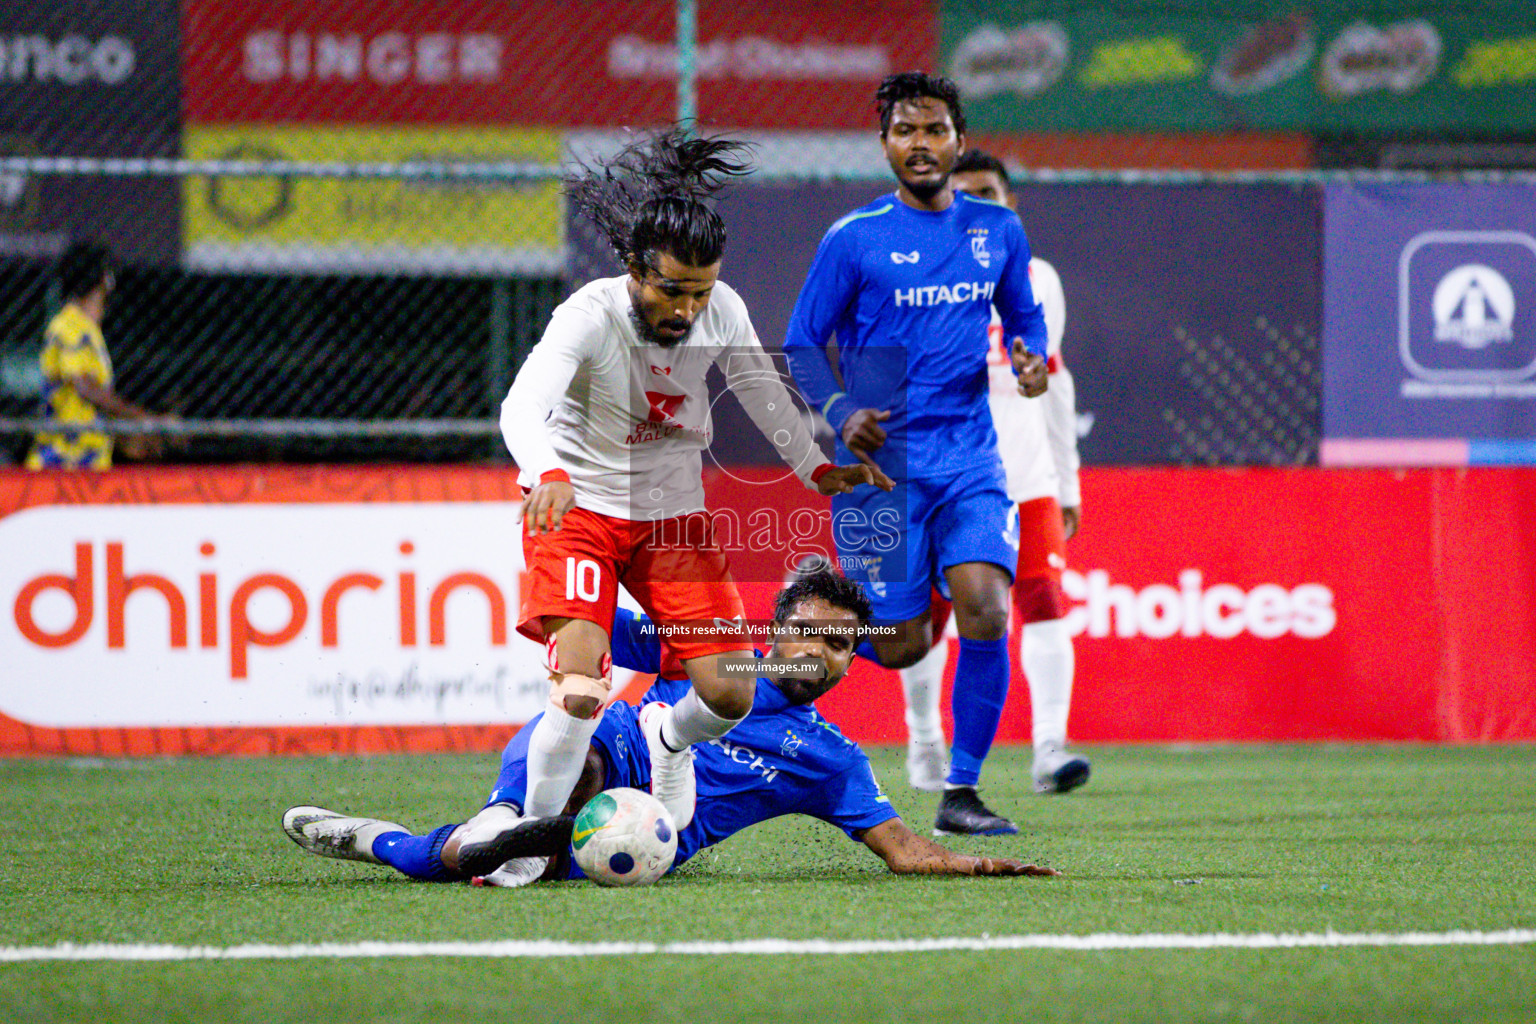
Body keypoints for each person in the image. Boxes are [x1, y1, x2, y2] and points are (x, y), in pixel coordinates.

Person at [494, 129, 889, 874]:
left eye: (700, 290)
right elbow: (521, 406)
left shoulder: (721, 308)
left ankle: (669, 738)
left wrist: (813, 464)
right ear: (634, 269)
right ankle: (526, 845)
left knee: (730, 692)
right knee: (580, 688)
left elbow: (760, 390)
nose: (686, 307)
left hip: (672, 520)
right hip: (578, 509)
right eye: (670, 289)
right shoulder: (589, 314)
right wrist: (546, 470)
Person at [282, 568, 1060, 885]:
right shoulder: (718, 658)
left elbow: (904, 851)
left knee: (469, 863)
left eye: (838, 644)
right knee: (540, 805)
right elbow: (600, 625)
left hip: (650, 838)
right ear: (775, 629)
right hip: (609, 747)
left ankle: (378, 840)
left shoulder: (832, 759)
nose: (819, 653)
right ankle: (457, 825)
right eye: (808, 633)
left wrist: (982, 869)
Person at [782, 72, 1048, 837]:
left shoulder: (997, 231)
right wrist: (838, 413)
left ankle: (961, 793)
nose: (921, 144)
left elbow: (1024, 317)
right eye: (906, 131)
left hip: (969, 459)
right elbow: (803, 341)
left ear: (958, 140)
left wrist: (1030, 358)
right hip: (880, 472)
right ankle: (786, 647)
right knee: (898, 647)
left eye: (934, 130)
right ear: (885, 144)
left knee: (986, 607)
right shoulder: (854, 238)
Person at [898, 150, 1091, 797]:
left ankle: (1050, 748)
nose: (976, 207)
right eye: (964, 195)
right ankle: (924, 739)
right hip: (942, 474)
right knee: (923, 621)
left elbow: (1052, 384)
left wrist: (1067, 481)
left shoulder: (1040, 280)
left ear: (1011, 206)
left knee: (1042, 599)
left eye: (989, 194)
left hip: (1025, 475)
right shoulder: (913, 277)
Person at [26, 242, 167, 469]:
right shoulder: (69, 325)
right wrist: (142, 419)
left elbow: (89, 406)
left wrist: (125, 438)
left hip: (87, 461)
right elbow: (85, 387)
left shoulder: (88, 330)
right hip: (64, 462)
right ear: (104, 280)